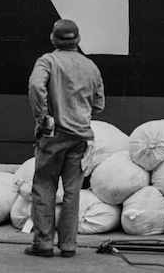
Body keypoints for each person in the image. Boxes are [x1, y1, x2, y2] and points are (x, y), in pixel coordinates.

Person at [25, 19, 105, 258]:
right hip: (81, 138)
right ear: (78, 41)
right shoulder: (90, 66)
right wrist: (80, 113)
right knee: (73, 192)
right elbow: (99, 104)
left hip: (53, 136)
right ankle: (69, 245)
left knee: (44, 187)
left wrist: (43, 117)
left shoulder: (47, 61)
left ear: (53, 39)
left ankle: (44, 243)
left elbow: (35, 85)